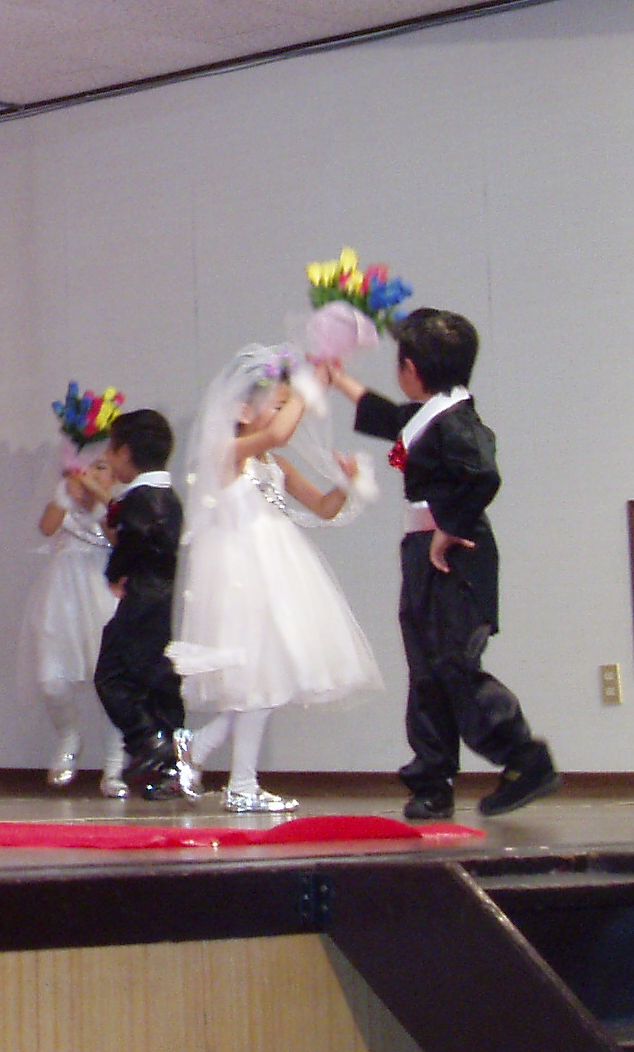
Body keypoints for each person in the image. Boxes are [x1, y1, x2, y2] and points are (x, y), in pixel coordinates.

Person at [325, 309, 557, 821]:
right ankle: (433, 781)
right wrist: (338, 378)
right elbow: (391, 418)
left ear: (410, 369)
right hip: (424, 551)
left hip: (458, 553)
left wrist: (450, 527)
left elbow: (484, 474)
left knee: (453, 664)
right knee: (427, 671)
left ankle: (524, 758)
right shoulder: (432, 414)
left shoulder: (457, 421)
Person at [171, 347, 382, 814]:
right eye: (278, 404)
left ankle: (205, 752)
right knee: (258, 681)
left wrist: (347, 483)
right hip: (240, 576)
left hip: (277, 571)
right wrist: (310, 385)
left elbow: (322, 507)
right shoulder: (226, 453)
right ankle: (237, 781)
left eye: (287, 404)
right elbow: (279, 432)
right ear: (243, 411)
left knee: (266, 677)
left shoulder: (274, 464)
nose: (286, 414)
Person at [90, 409, 195, 801]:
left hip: (142, 599)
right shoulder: (168, 497)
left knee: (112, 675)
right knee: (155, 680)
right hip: (160, 599)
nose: (109, 459)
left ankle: (149, 741)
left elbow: (132, 541)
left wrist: (115, 571)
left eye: (111, 451)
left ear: (125, 452)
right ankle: (169, 765)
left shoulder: (140, 498)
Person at [33, 451, 125, 794]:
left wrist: (101, 502)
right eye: (84, 467)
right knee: (51, 680)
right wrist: (64, 495)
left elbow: (119, 540)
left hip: (102, 593)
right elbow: (46, 528)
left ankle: (114, 766)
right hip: (62, 597)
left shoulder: (116, 504)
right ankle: (68, 737)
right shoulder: (65, 498)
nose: (91, 474)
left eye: (101, 467)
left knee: (110, 684)